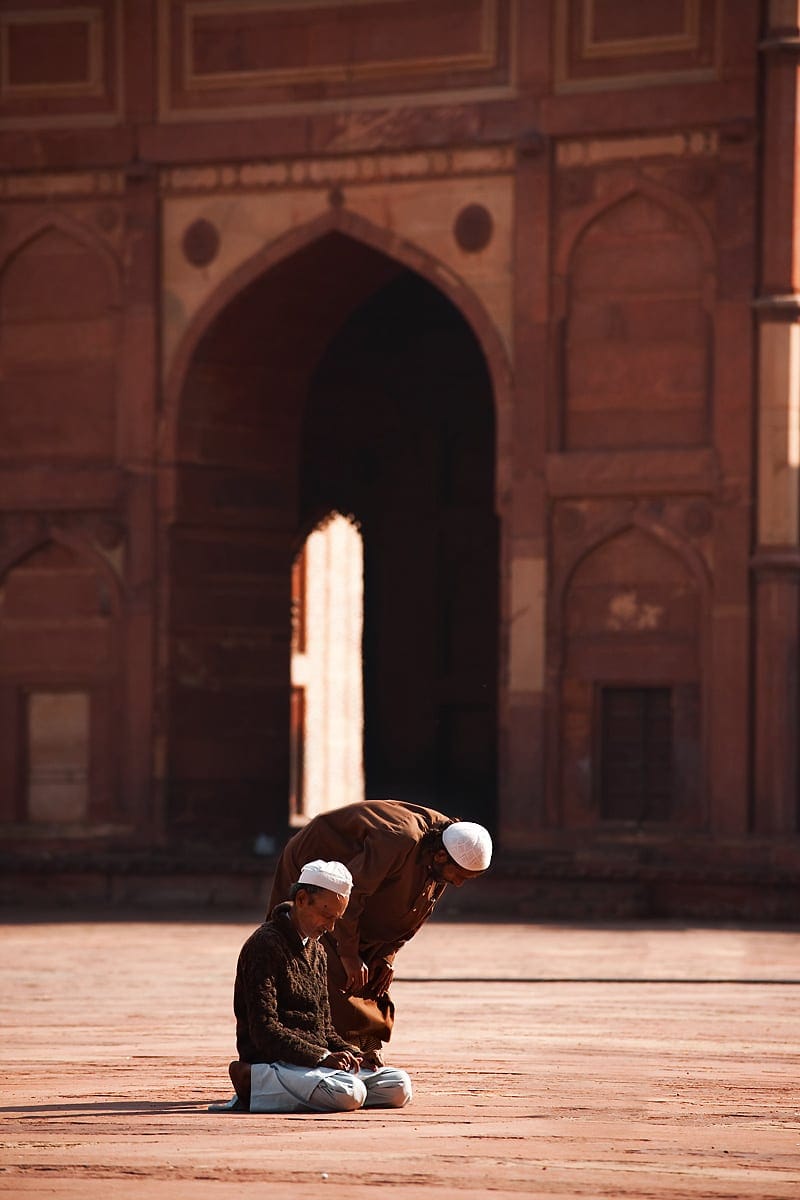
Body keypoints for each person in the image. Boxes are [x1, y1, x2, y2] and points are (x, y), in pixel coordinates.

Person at [267, 800, 492, 1050]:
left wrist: (387, 955)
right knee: (324, 961)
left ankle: (359, 1043)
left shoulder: (446, 848)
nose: (458, 884)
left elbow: (416, 909)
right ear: (440, 856)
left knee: (371, 975)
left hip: (355, 887)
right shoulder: (399, 840)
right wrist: (350, 955)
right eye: (459, 876)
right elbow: (350, 895)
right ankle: (314, 1045)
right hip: (313, 869)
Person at [224, 858, 412, 1114]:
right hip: (278, 1062)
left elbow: (324, 1029)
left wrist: (355, 1053)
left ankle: (281, 1091)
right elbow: (264, 1031)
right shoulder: (264, 945)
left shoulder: (317, 951)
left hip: (315, 1065)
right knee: (348, 1092)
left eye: (337, 919)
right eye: (326, 915)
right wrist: (322, 1057)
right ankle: (253, 1081)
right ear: (301, 899)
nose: (331, 927)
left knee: (399, 1085)